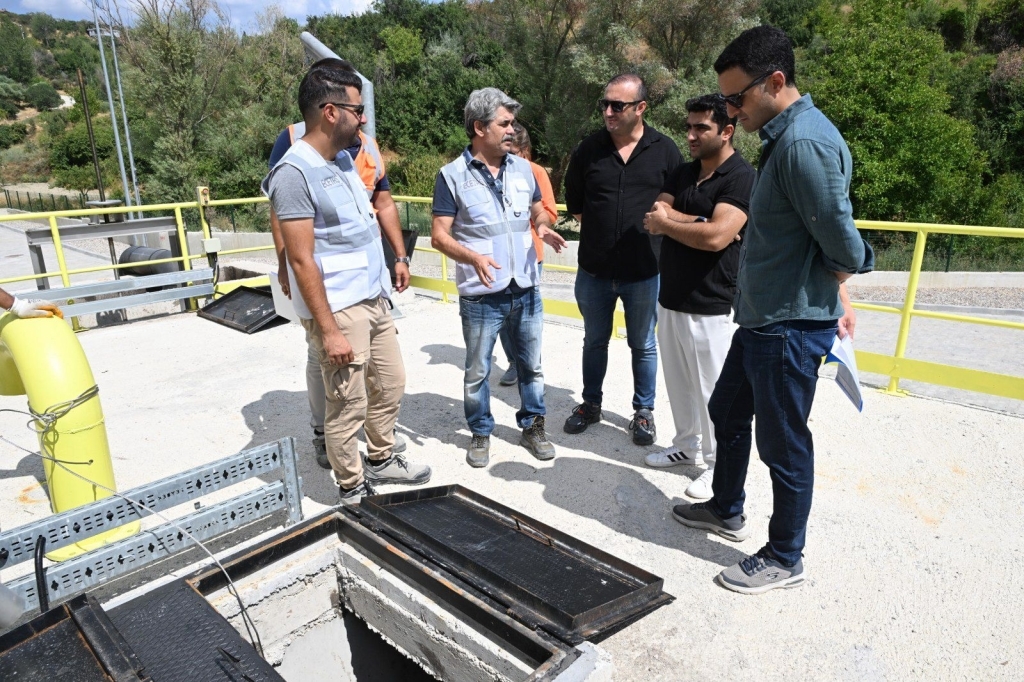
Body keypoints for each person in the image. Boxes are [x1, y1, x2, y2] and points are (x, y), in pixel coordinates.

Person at [673, 26, 873, 594]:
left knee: (783, 445)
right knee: (727, 411)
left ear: (776, 81)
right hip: (762, 319)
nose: (730, 110)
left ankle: (786, 555)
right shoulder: (784, 139)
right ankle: (726, 507)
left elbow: (840, 240)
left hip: (788, 325)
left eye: (737, 98)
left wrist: (849, 272)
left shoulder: (804, 144)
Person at [263, 59, 431, 502]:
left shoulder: (342, 161)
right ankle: (353, 487)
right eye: (358, 110)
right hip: (339, 308)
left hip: (373, 299)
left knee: (390, 384)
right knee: (347, 403)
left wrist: (396, 261)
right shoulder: (293, 173)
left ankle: (381, 456)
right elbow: (301, 260)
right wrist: (329, 330)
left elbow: (368, 220)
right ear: (330, 111)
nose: (364, 119)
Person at [430, 88, 567, 468]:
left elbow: (538, 210)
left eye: (512, 123)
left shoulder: (524, 169)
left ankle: (533, 427)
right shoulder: (451, 176)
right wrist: (472, 257)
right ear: (479, 127)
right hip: (481, 294)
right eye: (504, 123)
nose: (512, 130)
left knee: (531, 366)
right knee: (478, 370)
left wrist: (542, 226)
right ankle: (480, 432)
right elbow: (438, 236)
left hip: (525, 288)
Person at [641, 94, 755, 501]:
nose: (690, 135)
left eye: (701, 128)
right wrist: (703, 220)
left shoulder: (741, 176)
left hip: (713, 304)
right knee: (679, 384)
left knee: (713, 392)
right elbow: (655, 215)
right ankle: (686, 446)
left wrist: (683, 224)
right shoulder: (684, 172)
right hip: (670, 297)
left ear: (727, 131)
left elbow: (717, 239)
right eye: (688, 127)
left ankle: (717, 464)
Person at [563, 74, 683, 445]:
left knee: (643, 344)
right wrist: (603, 236)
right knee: (594, 341)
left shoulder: (665, 150)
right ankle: (590, 404)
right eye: (605, 104)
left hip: (645, 270)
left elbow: (676, 202)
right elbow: (576, 203)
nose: (608, 111)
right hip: (594, 270)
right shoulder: (588, 149)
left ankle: (643, 412)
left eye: (618, 105)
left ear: (641, 107)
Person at [497, 122, 558, 387]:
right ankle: (513, 362)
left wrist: (530, 217)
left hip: (529, 255)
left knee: (527, 317)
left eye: (514, 153)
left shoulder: (536, 172)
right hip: (500, 255)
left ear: (525, 151)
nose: (509, 158)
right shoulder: (492, 169)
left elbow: (550, 212)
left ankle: (531, 369)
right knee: (501, 315)